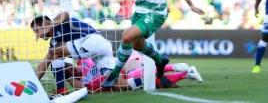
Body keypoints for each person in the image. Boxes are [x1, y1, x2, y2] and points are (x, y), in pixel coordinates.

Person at [30, 11, 116, 94]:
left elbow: (65, 14)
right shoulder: (54, 42)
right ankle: (129, 83)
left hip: (91, 40)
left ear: (45, 24)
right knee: (112, 81)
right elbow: (44, 64)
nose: (37, 35)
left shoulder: (60, 24)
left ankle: (61, 89)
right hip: (104, 47)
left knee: (53, 54)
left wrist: (52, 23)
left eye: (37, 31)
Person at [60, 52, 203, 93]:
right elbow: (82, 88)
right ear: (69, 75)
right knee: (142, 78)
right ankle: (185, 72)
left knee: (137, 73)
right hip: (122, 75)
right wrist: (64, 77)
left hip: (123, 64)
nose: (73, 68)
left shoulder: (83, 61)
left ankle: (174, 67)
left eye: (71, 65)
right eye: (69, 69)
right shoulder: (85, 83)